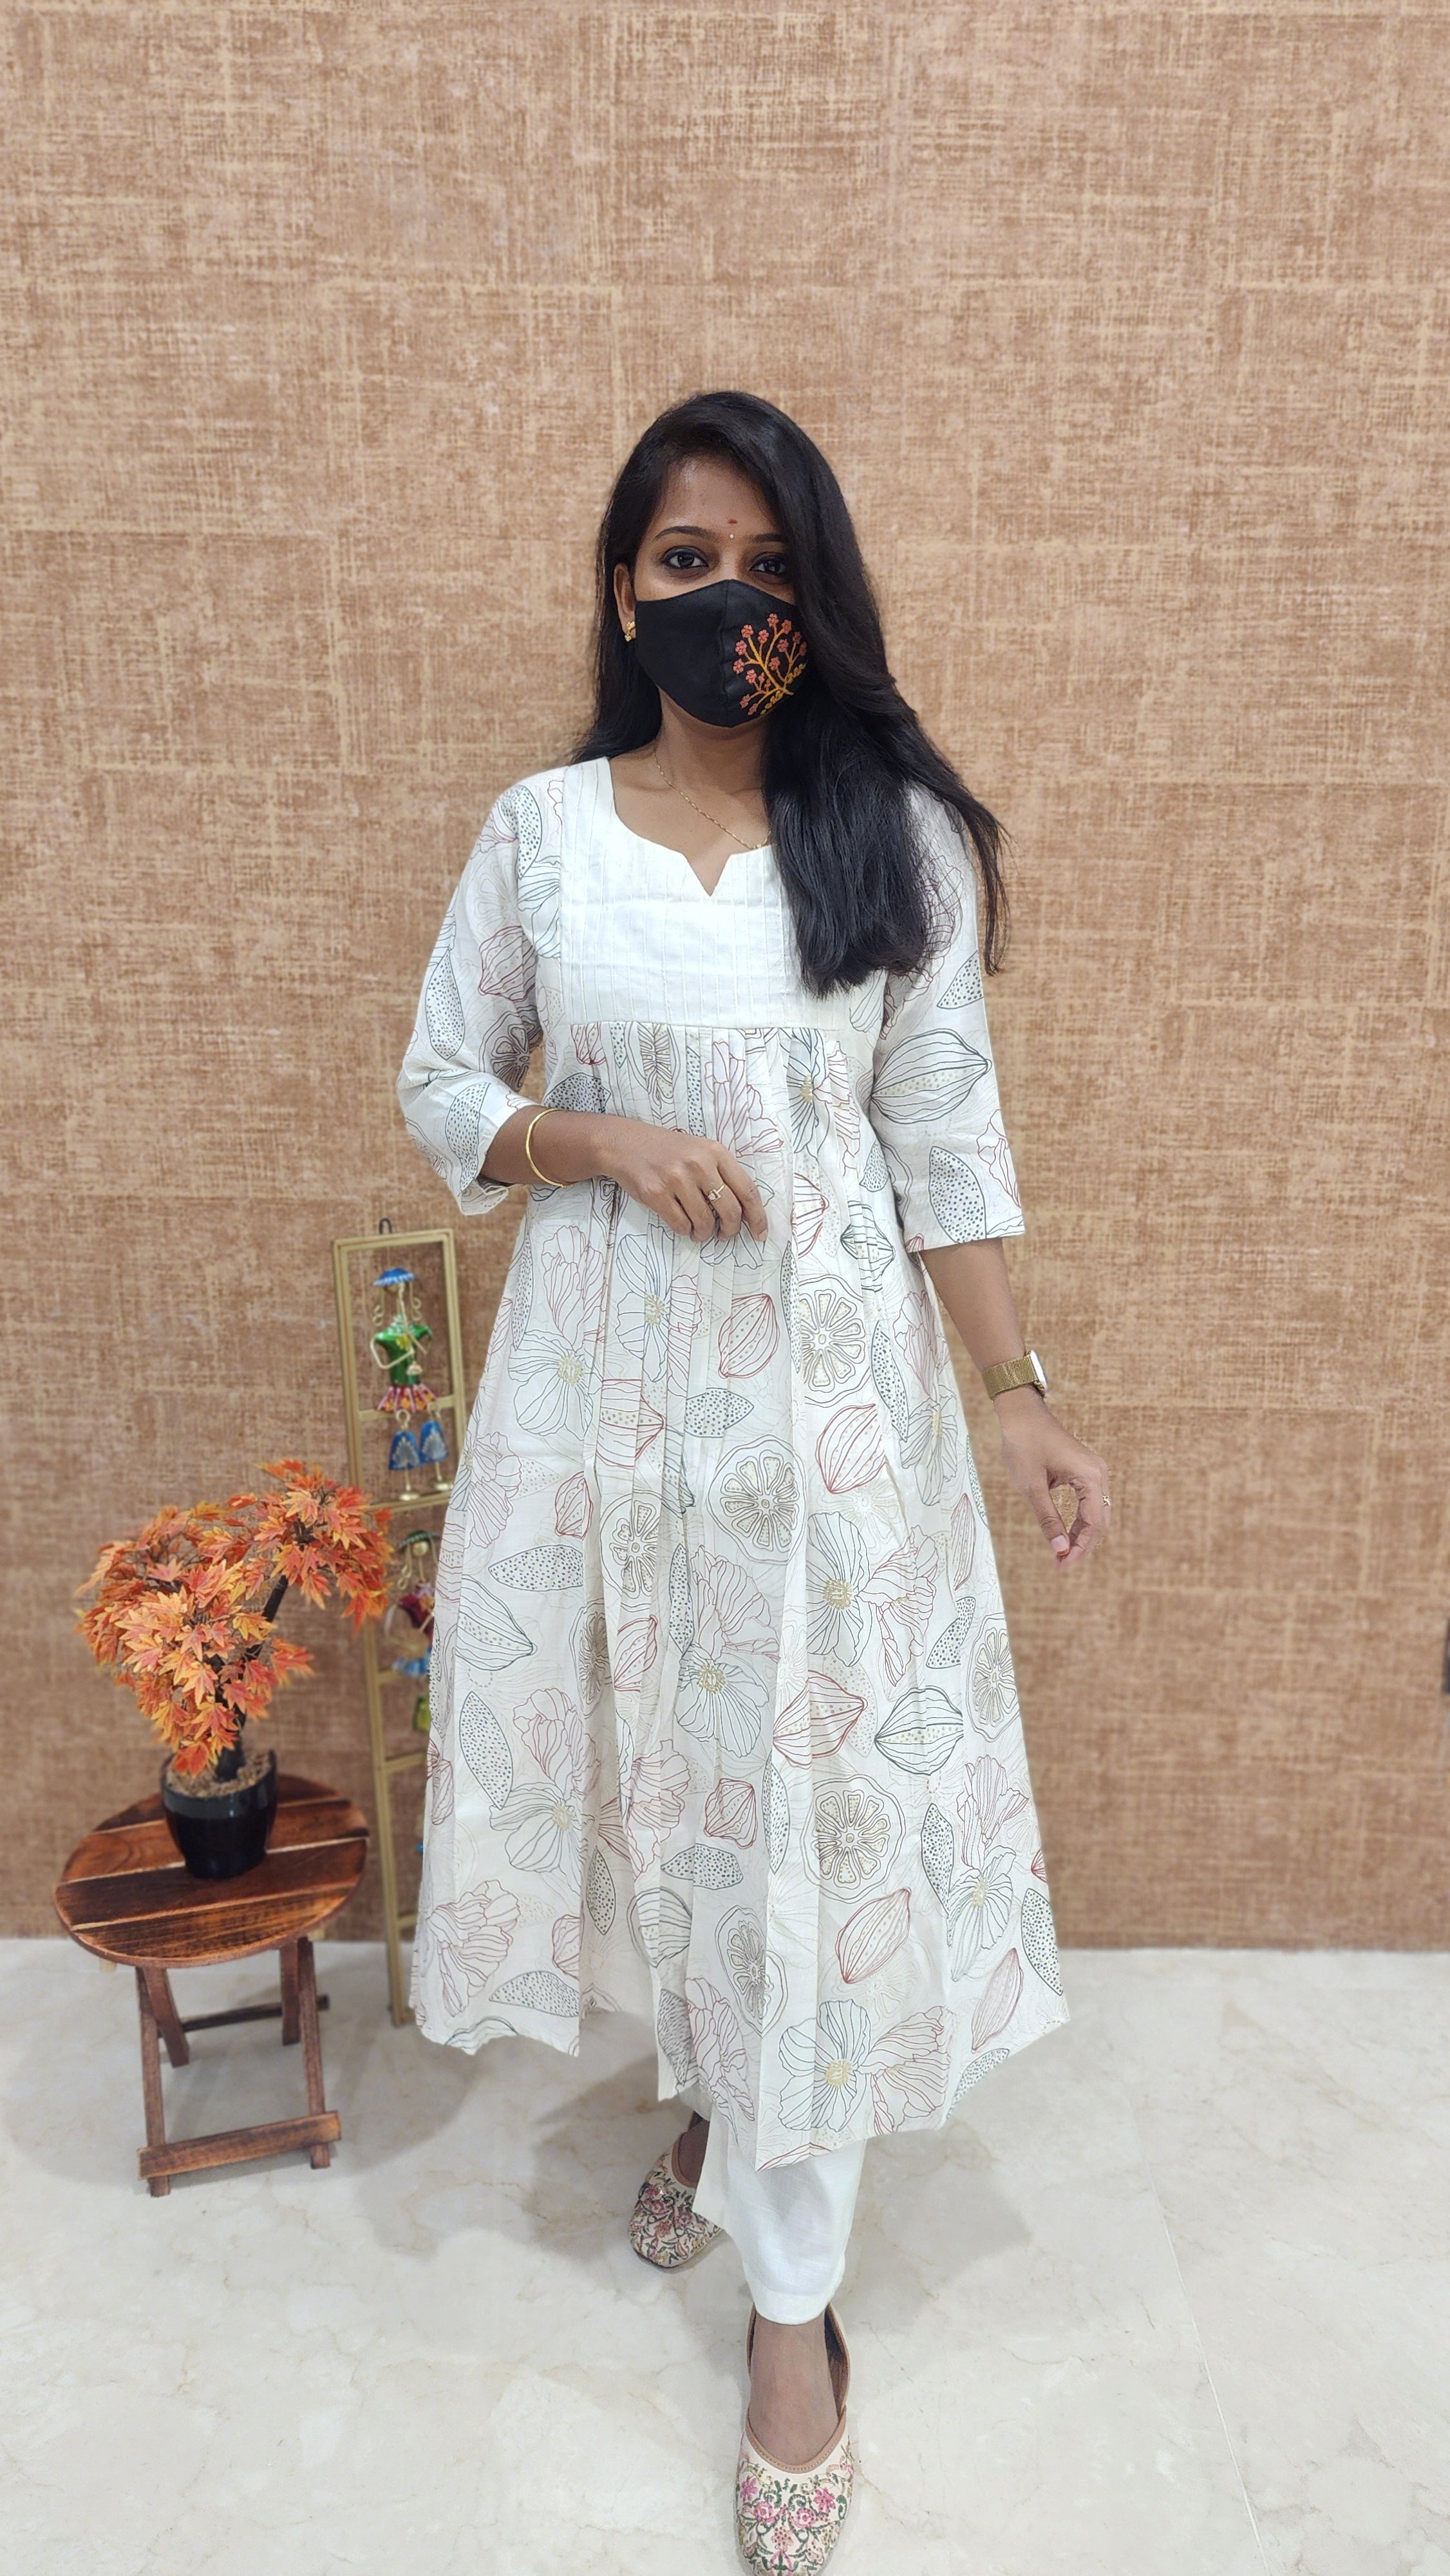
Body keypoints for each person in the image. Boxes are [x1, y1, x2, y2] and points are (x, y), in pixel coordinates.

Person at [398, 390, 1109, 2571]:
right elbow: (442, 1084)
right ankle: (718, 2096)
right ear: (623, 592)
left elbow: (942, 1142)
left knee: (808, 1812)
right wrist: (592, 1138)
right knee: (673, 1784)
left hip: (825, 1433)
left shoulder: (895, 843)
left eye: (768, 568)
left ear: (821, 597)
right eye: (685, 564)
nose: (727, 604)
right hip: (602, 1413)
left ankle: (793, 2323)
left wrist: (1018, 1394)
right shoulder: (541, 835)